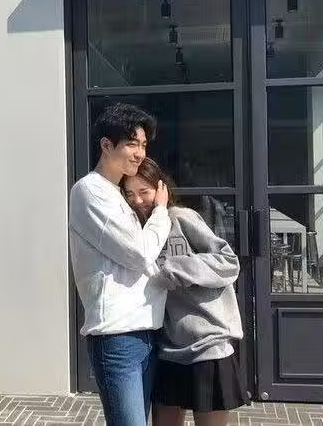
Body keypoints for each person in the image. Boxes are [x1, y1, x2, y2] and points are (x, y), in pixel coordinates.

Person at [122, 157, 250, 426]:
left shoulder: (180, 218)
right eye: (129, 194)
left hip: (208, 346)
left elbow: (228, 262)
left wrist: (176, 268)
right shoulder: (135, 233)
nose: (137, 201)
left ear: (161, 189)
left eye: (144, 191)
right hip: (167, 348)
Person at [69, 104, 172, 426]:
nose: (140, 153)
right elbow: (140, 253)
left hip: (146, 332)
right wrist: (161, 211)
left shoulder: (119, 194)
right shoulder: (90, 191)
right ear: (106, 145)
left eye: (143, 145)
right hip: (117, 336)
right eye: (131, 144)